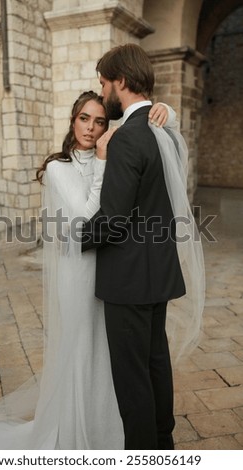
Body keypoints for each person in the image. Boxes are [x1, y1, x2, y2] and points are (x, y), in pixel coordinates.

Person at [0, 91, 175, 449]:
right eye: (85, 118)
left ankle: (110, 429)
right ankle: (79, 432)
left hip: (112, 269)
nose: (92, 128)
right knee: (84, 349)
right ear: (72, 120)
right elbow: (84, 218)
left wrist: (167, 112)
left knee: (111, 353)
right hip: (79, 272)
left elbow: (132, 192)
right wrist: (101, 161)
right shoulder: (58, 168)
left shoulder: (115, 156)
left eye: (100, 122)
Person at [82, 44, 205, 450]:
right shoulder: (159, 129)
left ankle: (142, 453)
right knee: (155, 364)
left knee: (132, 377)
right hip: (157, 274)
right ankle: (162, 444)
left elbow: (114, 219)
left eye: (103, 83)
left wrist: (75, 238)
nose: (102, 94)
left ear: (120, 80)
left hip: (128, 279)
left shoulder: (127, 138)